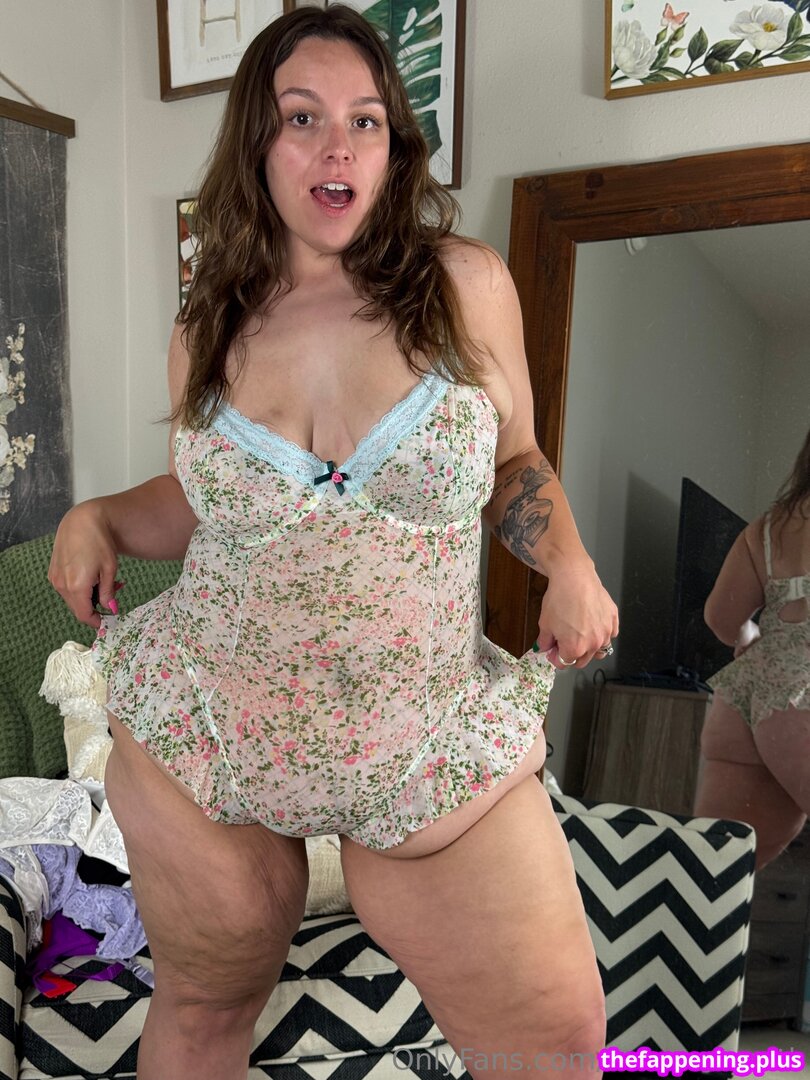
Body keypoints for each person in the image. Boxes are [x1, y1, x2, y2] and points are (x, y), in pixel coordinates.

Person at [49, 6, 618, 1078]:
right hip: (211, 727)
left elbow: (513, 460)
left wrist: (569, 564)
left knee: (556, 1046)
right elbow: (212, 502)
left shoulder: (465, 285)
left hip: (419, 746)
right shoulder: (207, 326)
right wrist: (99, 518)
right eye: (303, 117)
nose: (338, 146)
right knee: (204, 1012)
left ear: (394, 146)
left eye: (366, 120)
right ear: (257, 143)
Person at [694, 426, 810, 870]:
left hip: (748, 694)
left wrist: (748, 634)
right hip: (802, 703)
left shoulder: (769, 528)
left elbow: (721, 618)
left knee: (713, 873)